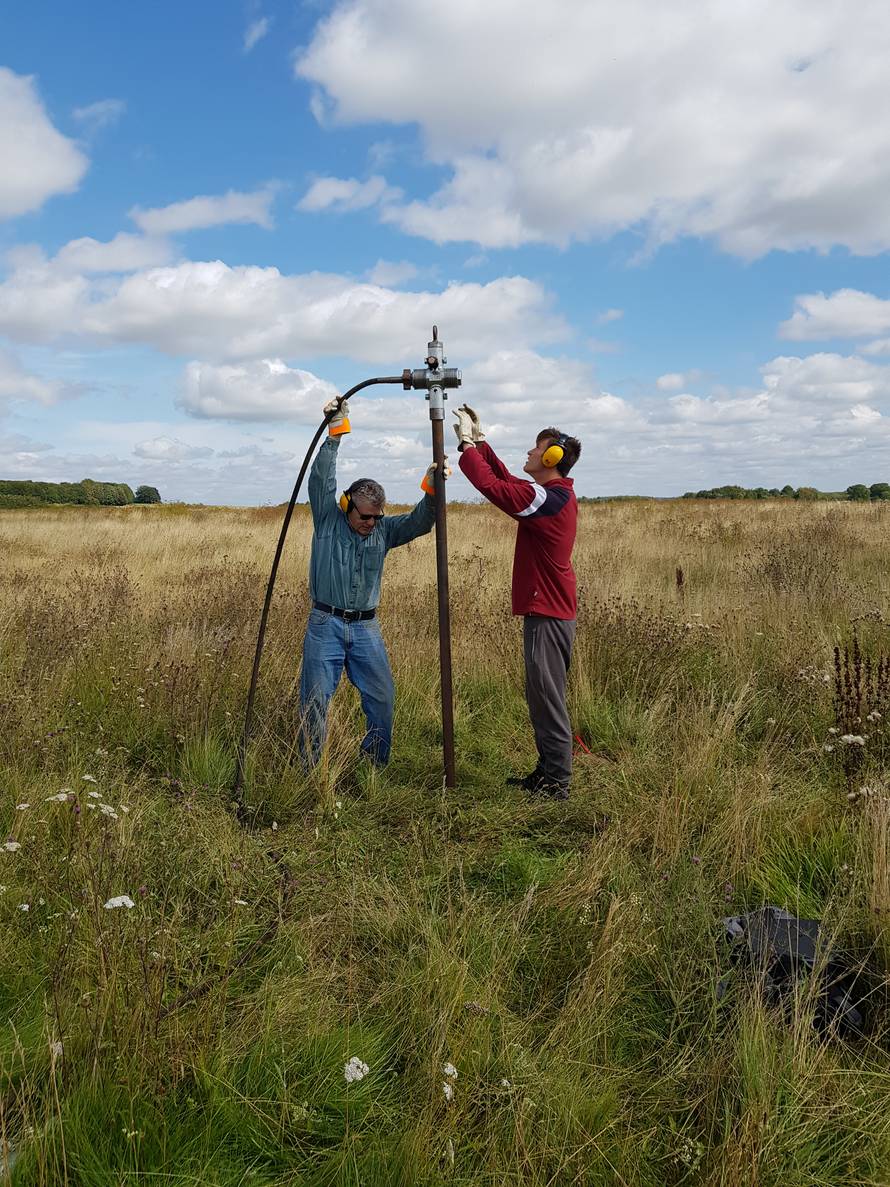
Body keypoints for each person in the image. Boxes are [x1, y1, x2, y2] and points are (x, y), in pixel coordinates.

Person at [299, 397, 440, 767]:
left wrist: (431, 488)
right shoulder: (328, 520)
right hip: (324, 623)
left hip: (366, 627)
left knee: (382, 698)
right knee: (314, 700)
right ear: (347, 506)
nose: (372, 523)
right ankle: (310, 772)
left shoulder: (384, 531)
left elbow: (420, 522)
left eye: (377, 517)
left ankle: (374, 765)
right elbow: (320, 479)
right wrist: (335, 432)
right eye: (365, 516)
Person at [454, 404, 581, 799]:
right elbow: (509, 480)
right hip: (546, 612)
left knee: (548, 699)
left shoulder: (552, 500)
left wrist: (464, 445)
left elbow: (497, 489)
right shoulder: (550, 495)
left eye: (535, 448)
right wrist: (479, 443)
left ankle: (557, 783)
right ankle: (546, 773)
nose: (527, 454)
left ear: (552, 458)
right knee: (541, 696)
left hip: (550, 615)